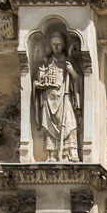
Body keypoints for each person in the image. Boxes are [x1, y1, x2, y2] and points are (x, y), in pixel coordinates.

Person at [33, 32, 80, 162]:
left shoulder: (68, 62)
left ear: (64, 45)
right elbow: (38, 80)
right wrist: (39, 82)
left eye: (58, 44)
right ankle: (52, 153)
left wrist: (72, 72)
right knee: (49, 125)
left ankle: (71, 152)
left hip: (64, 98)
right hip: (49, 99)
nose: (56, 46)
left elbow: (79, 80)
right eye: (53, 44)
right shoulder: (46, 62)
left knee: (70, 122)